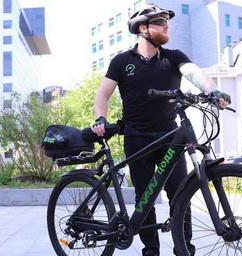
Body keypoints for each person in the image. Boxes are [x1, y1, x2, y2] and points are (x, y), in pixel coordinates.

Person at [90, 4, 231, 256]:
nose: (166, 25)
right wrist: (100, 118)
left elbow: (195, 74)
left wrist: (212, 91)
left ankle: (184, 249)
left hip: (170, 137)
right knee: (145, 197)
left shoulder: (174, 57)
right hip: (137, 137)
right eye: (159, 21)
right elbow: (103, 95)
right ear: (142, 28)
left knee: (180, 194)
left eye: (167, 20)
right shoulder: (122, 62)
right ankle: (151, 250)